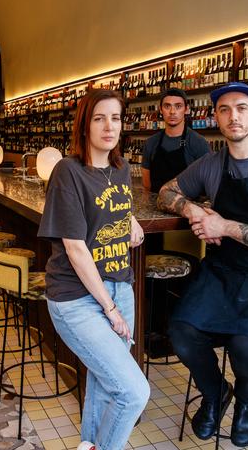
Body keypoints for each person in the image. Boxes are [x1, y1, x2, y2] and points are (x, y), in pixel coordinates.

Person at [157, 82, 248, 447]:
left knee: (246, 346)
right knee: (181, 332)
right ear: (216, 118)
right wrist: (193, 208)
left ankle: (247, 403)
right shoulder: (210, 164)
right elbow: (166, 192)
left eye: (241, 108)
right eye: (224, 109)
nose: (233, 115)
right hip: (224, 270)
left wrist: (222, 225)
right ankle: (215, 394)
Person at [38, 89, 149, 450]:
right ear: (85, 124)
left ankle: (89, 445)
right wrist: (110, 309)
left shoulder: (121, 169)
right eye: (99, 118)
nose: (108, 126)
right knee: (133, 391)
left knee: (105, 382)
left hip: (121, 286)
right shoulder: (68, 171)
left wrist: (129, 218)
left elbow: (111, 207)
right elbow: (75, 248)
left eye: (115, 118)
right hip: (78, 299)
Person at [141, 88, 210, 193]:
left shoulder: (198, 143)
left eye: (178, 106)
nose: (172, 112)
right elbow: (146, 186)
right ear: (160, 109)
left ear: (186, 109)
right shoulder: (151, 143)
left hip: (187, 206)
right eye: (167, 106)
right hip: (154, 206)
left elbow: (207, 184)